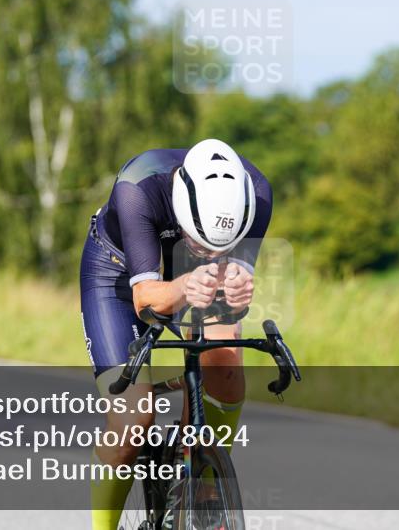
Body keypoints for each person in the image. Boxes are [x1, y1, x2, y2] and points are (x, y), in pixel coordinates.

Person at [80, 138, 273, 529]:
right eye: (199, 242)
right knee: (133, 419)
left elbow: (231, 298)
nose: (205, 250)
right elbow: (145, 300)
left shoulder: (259, 193)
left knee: (226, 373)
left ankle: (199, 487)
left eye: (217, 245)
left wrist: (236, 288)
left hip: (197, 275)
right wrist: (184, 285)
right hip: (118, 275)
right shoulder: (138, 188)